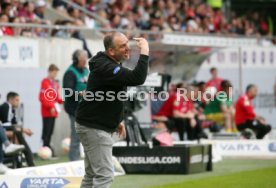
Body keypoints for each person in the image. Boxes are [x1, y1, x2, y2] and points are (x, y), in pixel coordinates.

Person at [75, 32, 149, 188]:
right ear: (111, 51)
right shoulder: (106, 66)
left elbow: (112, 95)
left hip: (92, 124)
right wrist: (145, 52)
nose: (127, 48)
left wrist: (117, 120)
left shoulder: (107, 62)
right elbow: (137, 78)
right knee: (104, 175)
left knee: (92, 175)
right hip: (94, 127)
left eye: (127, 43)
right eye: (122, 46)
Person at [63, 49, 89, 161]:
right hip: (74, 108)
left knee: (87, 135)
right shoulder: (70, 72)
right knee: (76, 135)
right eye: (85, 58)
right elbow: (68, 91)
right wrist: (80, 94)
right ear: (78, 59)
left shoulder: (86, 71)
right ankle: (73, 161)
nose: (87, 60)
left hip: (86, 108)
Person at [0, 92, 35, 166]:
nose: (18, 102)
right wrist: (23, 130)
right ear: (11, 100)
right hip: (3, 130)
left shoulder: (11, 109)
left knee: (19, 133)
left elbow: (13, 124)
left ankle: (23, 159)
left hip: (5, 130)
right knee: (18, 133)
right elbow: (6, 125)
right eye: (17, 100)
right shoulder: (5, 106)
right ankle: (29, 160)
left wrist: (23, 129)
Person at [39, 64, 63, 157]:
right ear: (49, 72)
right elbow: (42, 97)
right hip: (47, 112)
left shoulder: (55, 84)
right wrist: (51, 106)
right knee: (46, 132)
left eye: (56, 73)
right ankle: (45, 150)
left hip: (53, 113)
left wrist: (63, 101)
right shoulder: (44, 82)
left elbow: (56, 98)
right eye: (54, 73)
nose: (55, 75)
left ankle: (47, 149)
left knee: (50, 132)